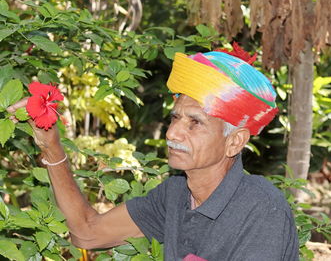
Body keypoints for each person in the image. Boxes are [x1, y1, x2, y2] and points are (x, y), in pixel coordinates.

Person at [7, 46, 299, 260]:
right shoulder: (174, 195)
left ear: (235, 142)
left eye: (194, 122)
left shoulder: (261, 210)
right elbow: (87, 232)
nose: (172, 134)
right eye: (175, 118)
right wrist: (51, 146)